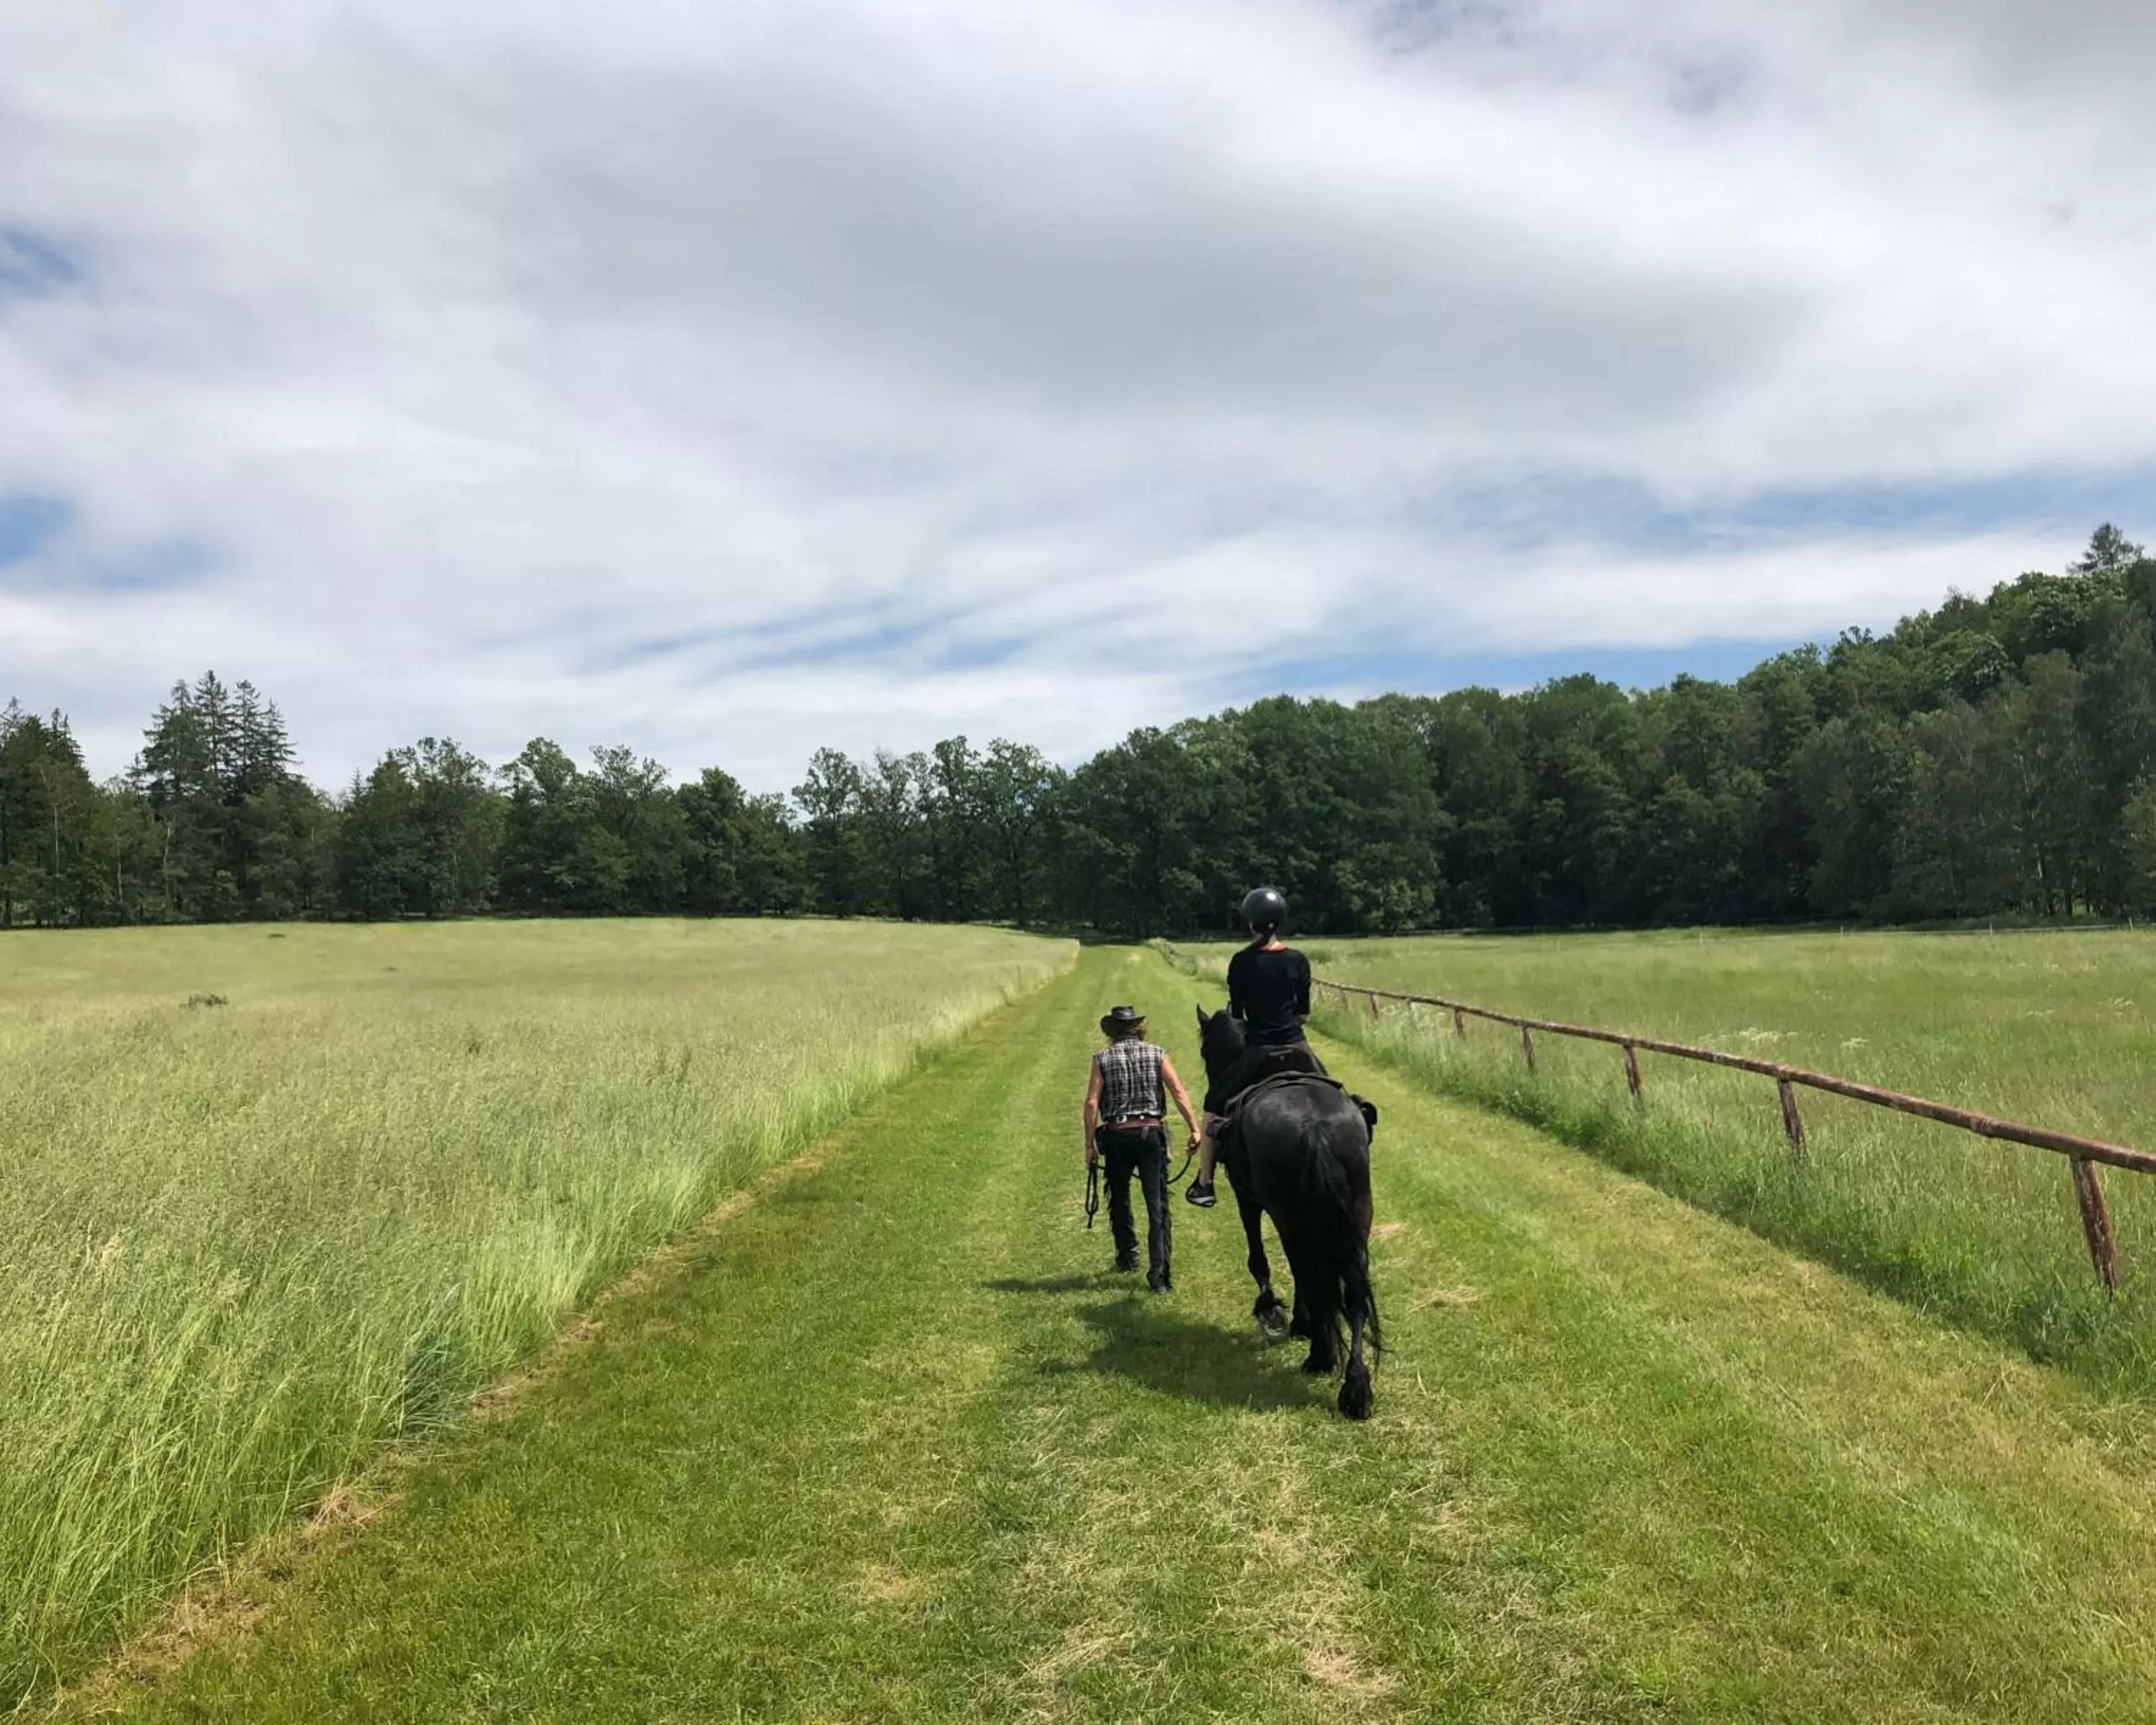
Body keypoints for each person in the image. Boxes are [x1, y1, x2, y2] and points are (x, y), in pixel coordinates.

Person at [1186, 885, 1322, 1208]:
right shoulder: (1298, 960)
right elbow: (1303, 1014)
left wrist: (1249, 1026)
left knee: (1212, 1104)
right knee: (1337, 1095)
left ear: (1251, 923)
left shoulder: (1241, 962)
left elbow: (1235, 1017)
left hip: (1258, 1049)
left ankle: (1205, 1181)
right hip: (1297, 1045)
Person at [1082, 1004, 1202, 1292]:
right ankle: (1159, 1273)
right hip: (1150, 1134)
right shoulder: (1157, 1053)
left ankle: (1128, 1255)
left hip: (1117, 1134)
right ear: (1138, 1028)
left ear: (1112, 1031)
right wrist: (1194, 1128)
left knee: (1119, 1197)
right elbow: (1177, 1091)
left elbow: (1091, 1103)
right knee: (1157, 1204)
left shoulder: (1102, 1058)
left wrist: (1089, 1145)